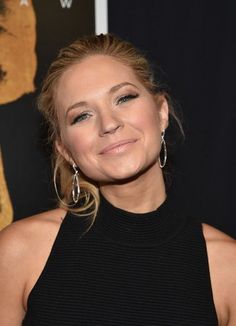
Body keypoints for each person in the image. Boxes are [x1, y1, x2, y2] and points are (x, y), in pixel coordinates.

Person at [0, 33, 235, 325]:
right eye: (82, 116)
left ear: (161, 112)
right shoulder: (19, 251)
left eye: (124, 98)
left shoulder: (227, 267)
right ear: (65, 150)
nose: (109, 124)